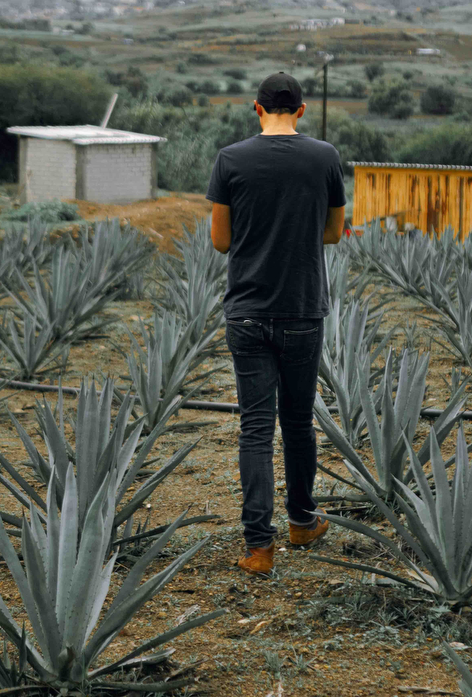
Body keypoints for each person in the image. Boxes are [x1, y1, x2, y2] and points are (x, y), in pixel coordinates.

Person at [206, 72, 346, 576]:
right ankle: (303, 522)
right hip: (303, 308)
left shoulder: (230, 159)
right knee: (298, 422)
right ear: (302, 111)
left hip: (246, 309)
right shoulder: (325, 157)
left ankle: (258, 548)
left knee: (255, 428)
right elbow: (334, 233)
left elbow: (221, 242)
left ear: (257, 109)